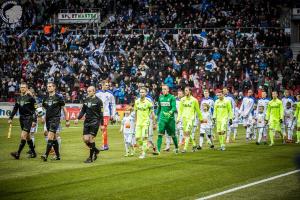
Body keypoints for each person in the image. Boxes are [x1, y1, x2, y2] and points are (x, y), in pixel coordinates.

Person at [41, 82, 70, 161]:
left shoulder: (59, 97)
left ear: (54, 87)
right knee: (54, 138)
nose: (48, 88)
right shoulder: (45, 98)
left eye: (50, 86)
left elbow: (64, 109)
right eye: (47, 86)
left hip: (55, 119)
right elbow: (43, 109)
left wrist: (67, 120)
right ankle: (58, 156)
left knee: (50, 136)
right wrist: (43, 116)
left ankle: (45, 155)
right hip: (48, 119)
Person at [9, 82, 37, 159]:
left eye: (24, 87)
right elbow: (15, 109)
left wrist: (34, 120)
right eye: (21, 87)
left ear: (27, 88)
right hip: (21, 119)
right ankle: (34, 153)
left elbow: (35, 110)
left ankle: (17, 154)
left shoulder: (31, 98)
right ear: (20, 88)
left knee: (23, 136)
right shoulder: (18, 98)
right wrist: (10, 117)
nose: (22, 89)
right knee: (28, 137)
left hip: (29, 118)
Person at [75, 86, 103, 163]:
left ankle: (90, 158)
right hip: (87, 121)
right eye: (88, 91)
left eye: (90, 91)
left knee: (91, 138)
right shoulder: (86, 100)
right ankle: (95, 150)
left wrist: (102, 124)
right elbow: (83, 110)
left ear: (94, 91)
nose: (88, 92)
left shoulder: (99, 101)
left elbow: (101, 113)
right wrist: (78, 118)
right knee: (85, 139)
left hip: (95, 121)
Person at [177, 86, 203, 153]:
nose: (185, 92)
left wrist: (201, 119)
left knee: (187, 133)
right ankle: (194, 144)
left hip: (190, 119)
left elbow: (198, 111)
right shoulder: (182, 99)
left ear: (190, 91)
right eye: (185, 90)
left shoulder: (194, 100)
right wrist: (178, 118)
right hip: (184, 119)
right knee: (186, 133)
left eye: (186, 90)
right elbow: (180, 110)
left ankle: (185, 149)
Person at [154, 84, 178, 155]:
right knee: (160, 134)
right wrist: (156, 115)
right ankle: (158, 150)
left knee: (173, 135)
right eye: (162, 89)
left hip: (170, 119)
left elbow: (174, 107)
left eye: (165, 89)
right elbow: (159, 108)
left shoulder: (172, 97)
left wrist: (170, 112)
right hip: (162, 119)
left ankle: (176, 148)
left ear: (168, 90)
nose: (163, 90)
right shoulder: (160, 98)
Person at [134, 87, 156, 159]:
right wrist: (135, 121)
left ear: (146, 93)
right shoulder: (136, 101)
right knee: (137, 138)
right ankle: (145, 147)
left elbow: (152, 113)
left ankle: (143, 153)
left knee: (144, 138)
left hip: (145, 123)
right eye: (140, 92)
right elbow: (136, 112)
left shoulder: (148, 102)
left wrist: (154, 123)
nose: (141, 93)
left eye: (143, 92)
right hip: (138, 123)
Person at [96, 81, 116, 150]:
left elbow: (113, 104)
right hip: (98, 114)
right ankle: (91, 144)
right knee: (97, 129)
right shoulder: (97, 93)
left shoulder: (110, 94)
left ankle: (105, 145)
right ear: (102, 85)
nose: (108, 86)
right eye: (106, 85)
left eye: (108, 85)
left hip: (106, 114)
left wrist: (113, 115)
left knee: (104, 129)